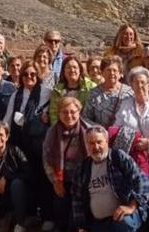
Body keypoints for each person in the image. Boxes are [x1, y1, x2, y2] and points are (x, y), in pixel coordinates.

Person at [113, 67, 149, 232]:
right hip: (135, 161)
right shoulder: (125, 104)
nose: (140, 85)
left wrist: (148, 141)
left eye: (143, 82)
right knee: (138, 197)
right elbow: (117, 127)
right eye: (135, 82)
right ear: (131, 85)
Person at [71, 126, 149, 232]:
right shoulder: (82, 169)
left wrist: (131, 207)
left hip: (122, 219)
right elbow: (77, 199)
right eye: (91, 143)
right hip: (97, 223)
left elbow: (143, 181)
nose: (96, 146)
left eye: (99, 142)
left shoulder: (118, 158)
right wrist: (81, 227)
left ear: (107, 141)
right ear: (87, 145)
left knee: (124, 223)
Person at [5, 64, 53, 231]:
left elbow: (51, 113)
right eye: (25, 74)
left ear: (38, 75)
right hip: (21, 144)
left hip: (40, 144)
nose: (29, 77)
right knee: (24, 179)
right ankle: (25, 217)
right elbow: (8, 118)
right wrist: (4, 137)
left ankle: (47, 216)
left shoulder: (46, 92)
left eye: (33, 74)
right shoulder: (16, 95)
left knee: (44, 179)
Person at [43, 96, 92, 232]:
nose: (69, 115)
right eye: (64, 112)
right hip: (62, 178)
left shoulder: (89, 129)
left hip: (85, 177)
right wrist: (55, 180)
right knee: (61, 206)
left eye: (72, 112)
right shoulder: (52, 132)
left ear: (79, 112)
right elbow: (46, 159)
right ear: (59, 114)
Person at [84, 56, 134, 128]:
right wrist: (99, 130)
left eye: (115, 70)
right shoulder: (93, 93)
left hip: (123, 134)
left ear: (120, 73)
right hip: (101, 135)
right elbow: (86, 118)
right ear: (102, 72)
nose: (111, 73)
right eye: (108, 70)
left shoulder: (130, 92)